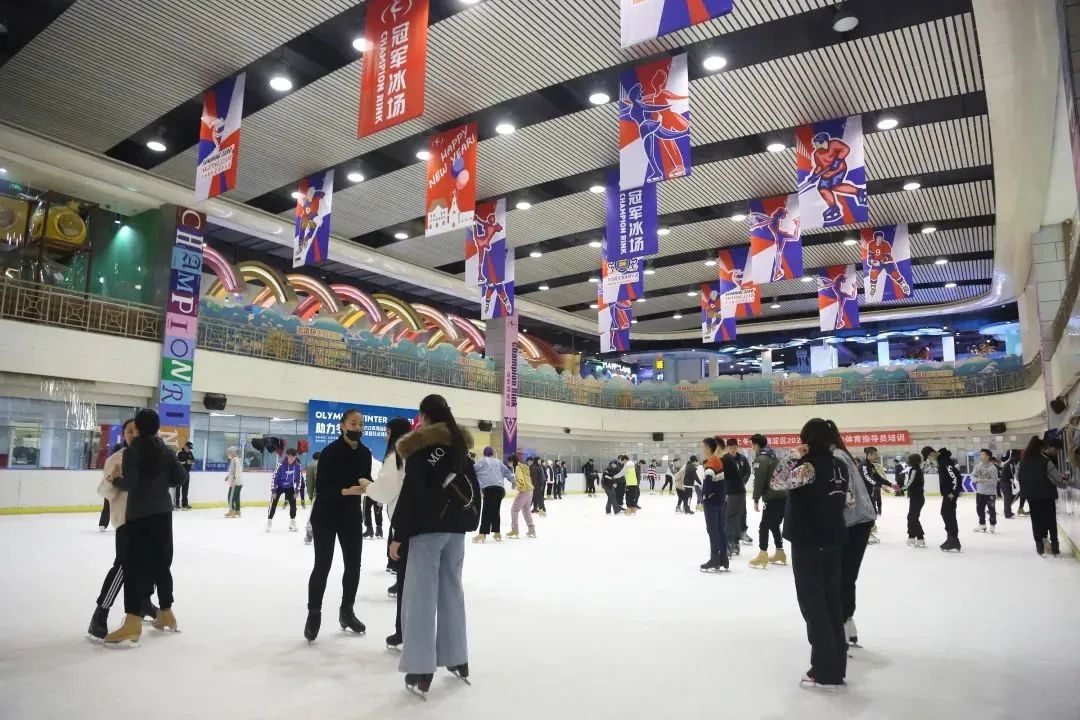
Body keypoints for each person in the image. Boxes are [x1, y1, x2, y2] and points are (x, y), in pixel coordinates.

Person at [390, 394, 480, 697]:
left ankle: (420, 668)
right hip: (456, 533)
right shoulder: (459, 448)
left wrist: (398, 534)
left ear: (424, 417)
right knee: (452, 592)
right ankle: (458, 658)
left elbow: (411, 493)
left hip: (426, 533)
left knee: (420, 598)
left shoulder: (420, 448)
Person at [770, 418, 851, 690]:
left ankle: (825, 670)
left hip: (809, 542)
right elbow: (846, 499)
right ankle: (836, 665)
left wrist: (793, 455)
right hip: (834, 540)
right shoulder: (840, 465)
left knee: (814, 606)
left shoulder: (808, 467)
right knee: (831, 603)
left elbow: (778, 482)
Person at [104, 409, 185, 647]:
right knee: (161, 563)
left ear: (137, 428)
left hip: (140, 515)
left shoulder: (133, 451)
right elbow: (179, 478)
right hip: (163, 513)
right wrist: (163, 482)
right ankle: (167, 613)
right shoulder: (166, 450)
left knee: (134, 566)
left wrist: (116, 478)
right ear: (157, 428)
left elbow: (130, 483)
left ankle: (132, 623)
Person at [87, 419, 159, 642]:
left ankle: (144, 602)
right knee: (123, 567)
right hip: (128, 521)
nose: (133, 434)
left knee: (151, 563)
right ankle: (101, 613)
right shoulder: (116, 459)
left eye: (138, 431)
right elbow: (105, 491)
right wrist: (114, 480)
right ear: (124, 435)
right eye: (129, 431)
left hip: (152, 518)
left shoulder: (153, 458)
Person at [305, 409, 372, 642]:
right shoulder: (330, 452)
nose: (357, 428)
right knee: (322, 564)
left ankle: (347, 611)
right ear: (343, 425)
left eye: (360, 424)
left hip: (350, 515)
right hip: (325, 514)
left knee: (353, 565)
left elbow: (364, 478)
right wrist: (347, 490)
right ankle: (314, 613)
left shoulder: (365, 453)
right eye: (353, 423)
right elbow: (321, 488)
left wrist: (368, 486)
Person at [358, 416, 412, 650]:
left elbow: (384, 490)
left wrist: (366, 486)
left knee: (406, 580)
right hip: (423, 523)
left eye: (386, 431)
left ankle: (403, 631)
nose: (385, 436)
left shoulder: (397, 455)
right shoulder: (416, 451)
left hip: (405, 521)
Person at [831, 423, 877, 649]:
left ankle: (843, 625)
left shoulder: (836, 457)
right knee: (846, 577)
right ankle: (848, 624)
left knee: (841, 576)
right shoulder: (843, 454)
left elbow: (844, 492)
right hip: (860, 520)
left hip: (853, 521)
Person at [1018, 436, 1068, 557]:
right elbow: (1057, 480)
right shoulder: (1045, 461)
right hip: (1047, 496)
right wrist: (1066, 483)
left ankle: (1039, 546)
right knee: (1050, 521)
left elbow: (1019, 479)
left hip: (1032, 497)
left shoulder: (1023, 462)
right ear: (1040, 448)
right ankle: (1055, 547)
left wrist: (1024, 499)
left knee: (1036, 522)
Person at [749, 434, 785, 568]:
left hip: (772, 497)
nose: (751, 447)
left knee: (764, 526)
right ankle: (780, 552)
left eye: (752, 444)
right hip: (783, 495)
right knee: (774, 524)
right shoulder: (773, 455)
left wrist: (756, 499)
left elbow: (759, 481)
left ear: (757, 445)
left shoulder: (761, 459)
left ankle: (762, 554)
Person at [923, 446, 962, 552]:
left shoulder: (945, 461)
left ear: (932, 453)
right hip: (948, 493)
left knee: (948, 514)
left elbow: (955, 477)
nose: (930, 459)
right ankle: (951, 538)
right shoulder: (942, 460)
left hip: (950, 494)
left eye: (928, 457)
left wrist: (953, 492)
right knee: (946, 513)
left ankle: (954, 539)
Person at [699, 438, 729, 572]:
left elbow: (709, 482)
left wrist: (705, 495)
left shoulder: (711, 462)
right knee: (720, 529)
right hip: (720, 501)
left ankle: (715, 558)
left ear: (709, 448)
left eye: (703, 447)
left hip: (711, 502)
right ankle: (724, 558)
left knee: (713, 531)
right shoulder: (718, 460)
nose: (702, 450)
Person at [473, 446, 513, 543]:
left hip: (490, 489)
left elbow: (473, 470)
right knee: (495, 510)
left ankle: (482, 534)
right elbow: (507, 472)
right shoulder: (498, 461)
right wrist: (513, 480)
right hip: (500, 489)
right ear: (492, 453)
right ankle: (497, 533)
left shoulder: (482, 461)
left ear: (484, 453)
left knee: (486, 511)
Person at [724, 439, 751, 554]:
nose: (733, 449)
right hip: (729, 492)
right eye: (730, 447)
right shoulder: (725, 459)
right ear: (727, 448)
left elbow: (747, 472)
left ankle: (738, 537)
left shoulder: (742, 459)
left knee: (740, 513)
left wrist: (741, 482)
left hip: (740, 491)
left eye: (734, 447)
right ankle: (731, 541)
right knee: (729, 516)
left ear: (737, 447)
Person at [861, 448, 892, 544]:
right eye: (874, 454)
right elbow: (868, 478)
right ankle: (865, 536)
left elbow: (878, 477)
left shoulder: (871, 466)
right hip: (863, 493)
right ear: (868, 455)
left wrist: (890, 484)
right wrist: (880, 485)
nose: (876, 456)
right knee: (867, 514)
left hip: (870, 493)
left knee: (872, 513)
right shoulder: (864, 466)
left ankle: (868, 533)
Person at [267, 449, 302, 533]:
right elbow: (274, 477)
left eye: (293, 457)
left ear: (295, 457)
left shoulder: (297, 466)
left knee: (293, 505)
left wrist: (297, 491)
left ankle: (292, 523)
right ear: (287, 456)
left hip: (290, 487)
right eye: (290, 457)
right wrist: (274, 490)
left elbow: (299, 479)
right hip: (279, 486)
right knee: (274, 504)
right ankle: (269, 522)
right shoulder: (280, 465)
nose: (291, 459)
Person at [507, 454, 537, 538]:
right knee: (526, 510)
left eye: (509, 462)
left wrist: (518, 486)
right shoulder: (523, 466)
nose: (508, 463)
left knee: (514, 509)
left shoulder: (517, 468)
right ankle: (532, 530)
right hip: (530, 490)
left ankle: (515, 530)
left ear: (512, 461)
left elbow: (521, 480)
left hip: (524, 491)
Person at [971, 449, 1000, 533]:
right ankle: (982, 524)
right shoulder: (977, 466)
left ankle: (992, 525)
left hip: (990, 493)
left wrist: (984, 481)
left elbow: (994, 480)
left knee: (991, 509)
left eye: (983, 454)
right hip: (980, 492)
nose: (981, 456)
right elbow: (972, 476)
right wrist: (976, 479)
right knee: (979, 509)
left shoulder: (993, 468)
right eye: (981, 454)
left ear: (988, 456)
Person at [903, 452, 926, 547]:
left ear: (912, 461)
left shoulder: (914, 470)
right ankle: (911, 536)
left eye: (908, 460)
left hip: (917, 498)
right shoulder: (917, 470)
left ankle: (920, 537)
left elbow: (910, 482)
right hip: (916, 497)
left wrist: (902, 489)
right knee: (911, 517)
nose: (907, 462)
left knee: (913, 517)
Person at [303, 451, 320, 543]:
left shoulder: (312, 465)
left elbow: (309, 483)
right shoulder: (330, 465)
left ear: (313, 458)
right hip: (331, 496)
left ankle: (309, 533)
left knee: (314, 515)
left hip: (318, 495)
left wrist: (310, 495)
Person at [174, 441, 195, 510]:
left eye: (190, 448)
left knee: (185, 488)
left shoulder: (190, 453)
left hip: (187, 473)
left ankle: (184, 504)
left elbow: (193, 461)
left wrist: (187, 462)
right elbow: (176, 462)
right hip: (179, 473)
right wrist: (186, 462)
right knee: (178, 489)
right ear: (185, 446)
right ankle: (176, 504)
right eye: (188, 448)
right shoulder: (179, 452)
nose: (189, 449)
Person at [1000, 449, 1020, 518]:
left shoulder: (1009, 465)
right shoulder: (1008, 466)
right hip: (1005, 484)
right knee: (1007, 499)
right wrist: (1012, 481)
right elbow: (1007, 476)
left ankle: (1008, 512)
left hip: (1006, 483)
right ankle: (1007, 514)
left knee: (1008, 499)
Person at [224, 446, 243, 518]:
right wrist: (228, 476)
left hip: (235, 483)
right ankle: (238, 511)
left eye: (229, 453)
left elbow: (237, 472)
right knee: (236, 497)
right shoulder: (237, 460)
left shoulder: (234, 460)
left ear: (232, 453)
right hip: (239, 483)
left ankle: (232, 511)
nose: (228, 454)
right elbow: (234, 471)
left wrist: (233, 481)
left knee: (230, 497)